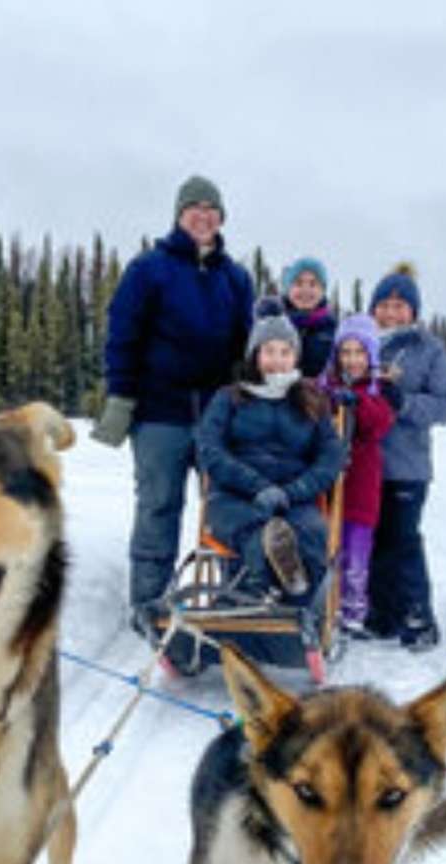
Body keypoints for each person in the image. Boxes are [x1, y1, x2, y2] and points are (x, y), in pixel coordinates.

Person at [90, 176, 256, 636]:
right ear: (179, 216)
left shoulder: (236, 278)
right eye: (193, 208)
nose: (203, 215)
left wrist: (247, 402)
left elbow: (247, 348)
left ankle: (231, 603)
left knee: (224, 509)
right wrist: (122, 395)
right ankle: (148, 606)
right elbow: (122, 336)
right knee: (158, 508)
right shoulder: (149, 269)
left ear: (221, 218)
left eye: (211, 208)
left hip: (218, 420)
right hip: (159, 416)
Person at [195, 314, 347, 602]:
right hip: (235, 495)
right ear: (255, 354)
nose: (277, 360)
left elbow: (330, 456)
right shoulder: (229, 397)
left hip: (294, 499)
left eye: (285, 352)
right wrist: (257, 486)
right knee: (254, 532)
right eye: (269, 351)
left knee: (311, 534)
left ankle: (290, 615)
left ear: (296, 356)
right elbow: (209, 448)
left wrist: (294, 491)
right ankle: (261, 599)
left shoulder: (312, 400)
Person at [364, 263, 446, 650]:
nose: (392, 312)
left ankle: (418, 617)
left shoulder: (428, 349)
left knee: (402, 541)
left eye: (401, 305)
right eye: (384, 304)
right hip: (364, 466)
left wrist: (402, 402)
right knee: (371, 541)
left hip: (407, 467)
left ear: (414, 312)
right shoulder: (359, 343)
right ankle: (381, 615)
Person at [320, 315, 397, 635]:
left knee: (355, 556)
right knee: (326, 551)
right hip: (328, 486)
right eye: (346, 352)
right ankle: (324, 609)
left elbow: (379, 422)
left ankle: (353, 615)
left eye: (359, 353)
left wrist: (358, 403)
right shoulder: (324, 386)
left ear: (370, 357)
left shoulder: (378, 392)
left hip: (361, 487)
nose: (352, 360)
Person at [254, 256, 336, 380]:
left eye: (313, 284)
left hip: (316, 396)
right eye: (298, 283)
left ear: (322, 290)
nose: (306, 290)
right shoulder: (270, 322)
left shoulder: (331, 329)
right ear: (288, 288)